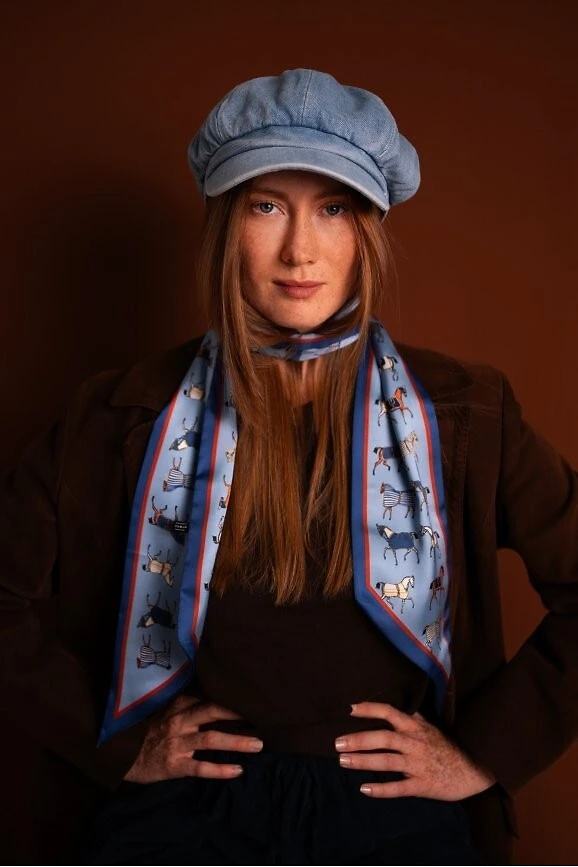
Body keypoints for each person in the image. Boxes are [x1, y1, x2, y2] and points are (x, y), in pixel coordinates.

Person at [1, 68, 577, 866]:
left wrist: (481, 753)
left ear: (367, 231)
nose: (300, 249)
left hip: (396, 823)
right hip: (179, 822)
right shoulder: (116, 416)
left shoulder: (466, 414)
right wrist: (117, 745)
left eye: (332, 208)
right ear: (224, 225)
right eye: (266, 205)